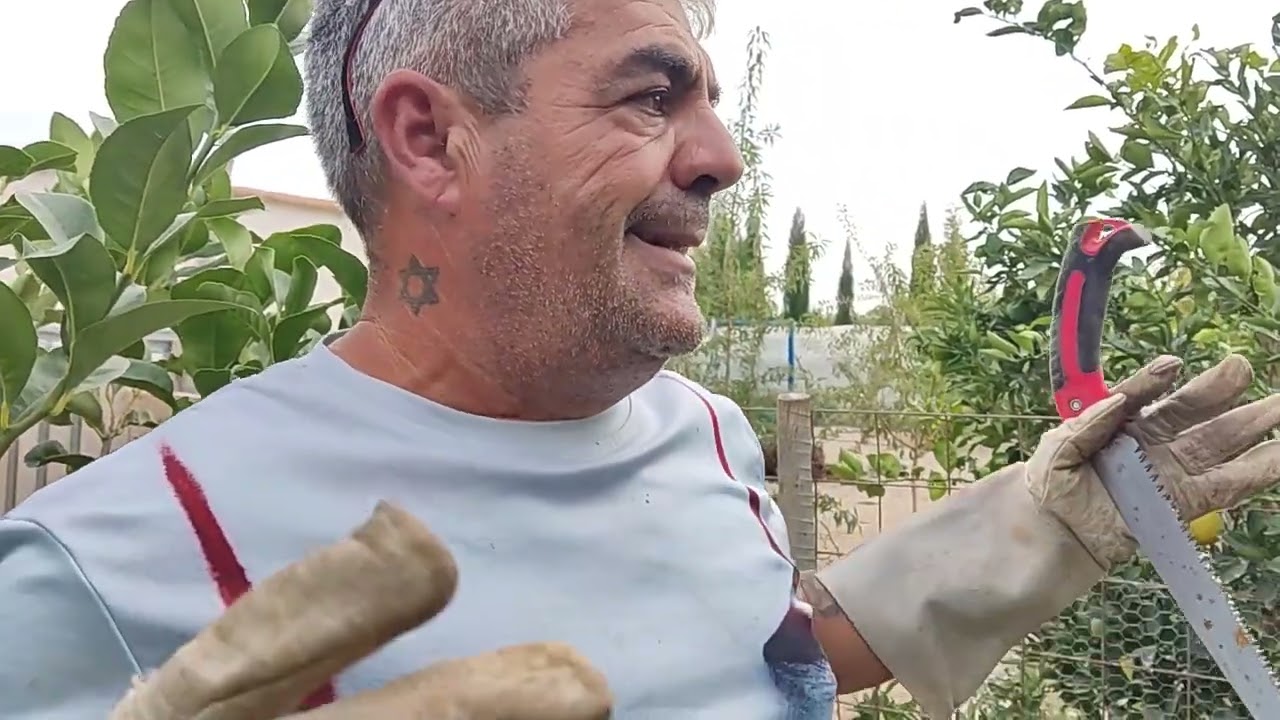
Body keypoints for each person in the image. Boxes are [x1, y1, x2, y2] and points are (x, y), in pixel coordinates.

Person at [3, 0, 1280, 716]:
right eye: (648, 94)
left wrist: (1025, 535)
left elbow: (755, 659)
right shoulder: (116, 556)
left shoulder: (705, 433)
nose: (724, 157)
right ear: (429, 140)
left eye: (713, 103)